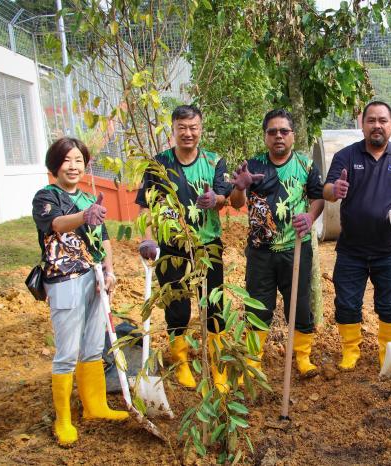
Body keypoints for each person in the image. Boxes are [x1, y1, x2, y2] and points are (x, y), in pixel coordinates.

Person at [32, 137, 128, 447]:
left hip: (95, 278)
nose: (73, 166)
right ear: (55, 165)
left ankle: (95, 406)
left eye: (78, 160)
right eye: (66, 160)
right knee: (67, 353)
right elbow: (56, 225)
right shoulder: (46, 197)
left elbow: (106, 240)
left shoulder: (90, 198)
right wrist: (83, 218)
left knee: (91, 347)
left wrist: (110, 272)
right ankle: (63, 420)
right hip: (65, 281)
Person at [323, 101, 391, 371]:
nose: (377, 125)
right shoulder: (346, 156)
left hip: (390, 247)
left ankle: (387, 352)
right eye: (371, 120)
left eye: (383, 120)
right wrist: (335, 189)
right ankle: (350, 351)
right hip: (351, 248)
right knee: (346, 302)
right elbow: (326, 190)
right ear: (363, 125)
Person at [135, 105, 233, 391]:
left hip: (208, 244)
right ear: (173, 130)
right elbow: (146, 205)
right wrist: (148, 237)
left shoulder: (215, 161)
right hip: (172, 245)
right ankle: (181, 362)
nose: (188, 133)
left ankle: (217, 366)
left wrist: (214, 199)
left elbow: (224, 197)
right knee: (176, 305)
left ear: (201, 129)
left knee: (213, 305)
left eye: (193, 128)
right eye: (182, 128)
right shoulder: (159, 163)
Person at [229, 109, 324, 378]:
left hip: (296, 248)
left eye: (284, 131)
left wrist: (310, 215)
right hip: (261, 252)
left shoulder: (305, 165)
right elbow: (237, 204)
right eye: (272, 132)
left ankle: (303, 358)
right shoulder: (253, 166)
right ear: (265, 137)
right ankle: (254, 360)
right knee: (258, 306)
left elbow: (318, 198)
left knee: (300, 304)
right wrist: (240, 187)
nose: (278, 136)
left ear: (292, 135)